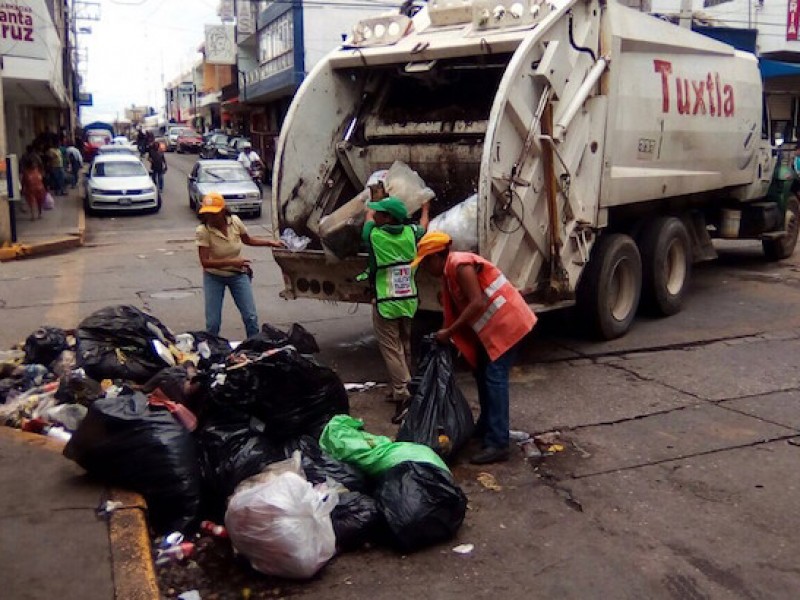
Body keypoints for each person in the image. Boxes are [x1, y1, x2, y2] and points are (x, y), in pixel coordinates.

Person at [411, 232, 538, 464]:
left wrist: (449, 333)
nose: (427, 268)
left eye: (427, 262)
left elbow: (477, 302)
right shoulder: (450, 272)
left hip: (509, 324)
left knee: (494, 377)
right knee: (481, 372)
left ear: (438, 257)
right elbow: (455, 310)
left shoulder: (460, 265)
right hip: (496, 328)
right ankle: (487, 425)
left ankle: (498, 442)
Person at [360, 196, 429, 423]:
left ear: (388, 218)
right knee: (404, 345)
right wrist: (425, 207)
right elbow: (424, 226)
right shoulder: (411, 233)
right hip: (408, 300)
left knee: (391, 350)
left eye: (381, 212)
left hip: (386, 302)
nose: (376, 214)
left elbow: (367, 216)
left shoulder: (374, 235)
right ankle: (405, 386)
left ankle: (403, 396)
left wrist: (371, 197)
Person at [196, 192, 283, 339]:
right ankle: (213, 350)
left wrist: (270, 242)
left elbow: (248, 240)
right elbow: (205, 262)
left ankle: (254, 348)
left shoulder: (235, 221)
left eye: (214, 213)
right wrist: (232, 262)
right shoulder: (203, 231)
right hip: (214, 277)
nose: (210, 217)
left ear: (223, 211)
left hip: (238, 274)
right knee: (213, 323)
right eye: (207, 214)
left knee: (250, 317)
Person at [20, 146, 46, 220]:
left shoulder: (35, 169)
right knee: (32, 202)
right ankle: (33, 215)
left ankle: (38, 214)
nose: (34, 165)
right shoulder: (28, 171)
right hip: (32, 189)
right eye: (33, 164)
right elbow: (24, 181)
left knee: (39, 202)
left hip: (38, 188)